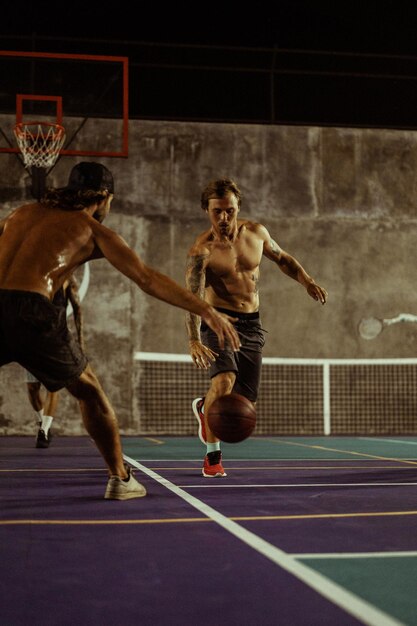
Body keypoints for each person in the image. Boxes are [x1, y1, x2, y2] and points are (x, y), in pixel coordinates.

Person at [0, 162, 240, 500]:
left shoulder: (20, 214)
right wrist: (205, 309)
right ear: (104, 198)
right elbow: (146, 278)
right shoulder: (92, 229)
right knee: (89, 392)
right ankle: (120, 478)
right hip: (31, 311)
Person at [185, 178, 328, 477]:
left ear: (238, 208)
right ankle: (213, 459)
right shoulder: (201, 251)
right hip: (218, 321)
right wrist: (194, 339)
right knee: (223, 383)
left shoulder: (257, 233)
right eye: (217, 212)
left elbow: (283, 259)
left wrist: (307, 281)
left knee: (244, 400)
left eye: (229, 211)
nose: (224, 218)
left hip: (252, 324)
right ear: (206, 211)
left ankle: (204, 410)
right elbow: (193, 298)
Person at [26, 275, 84, 449]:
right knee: (32, 388)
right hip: (32, 340)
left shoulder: (69, 280)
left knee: (54, 385)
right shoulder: (35, 274)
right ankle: (42, 423)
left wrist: (81, 341)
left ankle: (44, 430)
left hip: (56, 341)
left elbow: (78, 309)